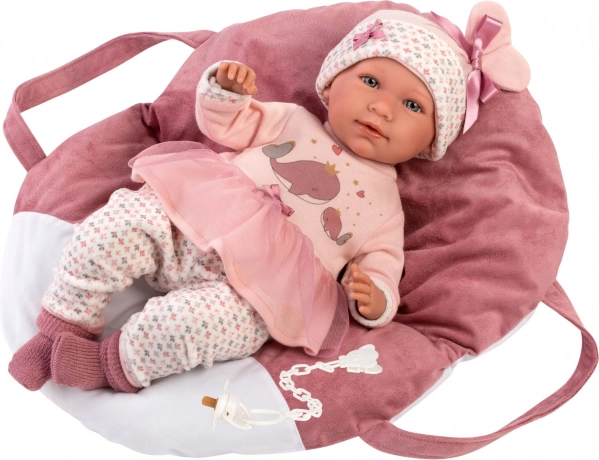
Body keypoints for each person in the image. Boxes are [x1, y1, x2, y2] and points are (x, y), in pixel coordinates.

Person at [8, 8, 504, 392]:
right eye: (371, 81)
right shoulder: (292, 120)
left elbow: (383, 266)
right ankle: (62, 323)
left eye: (413, 105)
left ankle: (106, 365)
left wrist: (375, 299)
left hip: (256, 294)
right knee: (118, 223)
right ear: (333, 84)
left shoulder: (385, 208)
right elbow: (227, 126)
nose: (382, 106)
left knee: (199, 329)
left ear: (429, 143)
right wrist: (225, 94)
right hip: (192, 220)